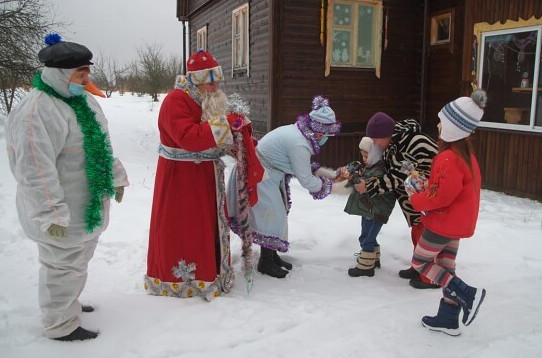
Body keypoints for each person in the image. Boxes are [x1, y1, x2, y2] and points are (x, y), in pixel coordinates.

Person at [5, 34, 129, 341]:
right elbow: (35, 170)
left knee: (77, 261)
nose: (85, 79)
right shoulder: (37, 111)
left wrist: (116, 177)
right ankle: (60, 325)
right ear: (58, 74)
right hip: (60, 210)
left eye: (87, 72)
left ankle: (67, 303)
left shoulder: (83, 101)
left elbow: (100, 146)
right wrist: (51, 213)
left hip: (84, 204)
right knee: (60, 265)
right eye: (79, 74)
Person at [145, 50, 239, 300]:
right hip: (180, 180)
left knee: (204, 225)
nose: (215, 86)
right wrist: (225, 125)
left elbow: (211, 134)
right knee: (185, 228)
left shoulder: (203, 98)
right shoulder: (175, 100)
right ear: (196, 80)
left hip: (202, 176)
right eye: (210, 81)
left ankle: (211, 271)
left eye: (217, 81)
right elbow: (188, 138)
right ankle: (182, 280)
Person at [227, 95, 346, 278]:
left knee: (276, 213)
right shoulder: (299, 143)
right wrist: (327, 185)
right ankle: (266, 262)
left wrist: (326, 175)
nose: (327, 138)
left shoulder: (298, 131)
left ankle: (271, 255)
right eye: (327, 134)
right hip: (260, 174)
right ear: (319, 131)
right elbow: (306, 178)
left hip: (267, 172)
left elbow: (302, 167)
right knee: (272, 215)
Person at [408, 90, 487, 336]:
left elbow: (442, 196)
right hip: (457, 223)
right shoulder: (466, 156)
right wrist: (428, 186)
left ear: (453, 127)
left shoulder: (448, 158)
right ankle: (448, 318)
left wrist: (416, 197)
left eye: (442, 122)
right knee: (445, 266)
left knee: (420, 262)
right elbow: (449, 189)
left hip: (443, 223)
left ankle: (465, 292)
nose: (439, 125)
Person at [354, 112, 440, 289]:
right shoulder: (394, 144)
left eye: (376, 139)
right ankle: (419, 267)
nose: (375, 144)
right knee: (417, 231)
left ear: (387, 134)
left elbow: (399, 176)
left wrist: (369, 187)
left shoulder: (413, 142)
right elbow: (389, 170)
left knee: (426, 235)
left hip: (429, 199)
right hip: (415, 200)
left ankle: (429, 276)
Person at [338, 137, 395, 277]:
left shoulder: (380, 169)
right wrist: (352, 177)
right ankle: (373, 260)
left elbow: (369, 183)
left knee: (367, 237)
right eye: (362, 155)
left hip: (377, 210)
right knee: (367, 235)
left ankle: (365, 266)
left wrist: (355, 178)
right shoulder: (371, 166)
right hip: (369, 209)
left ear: (376, 153)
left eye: (366, 155)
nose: (364, 159)